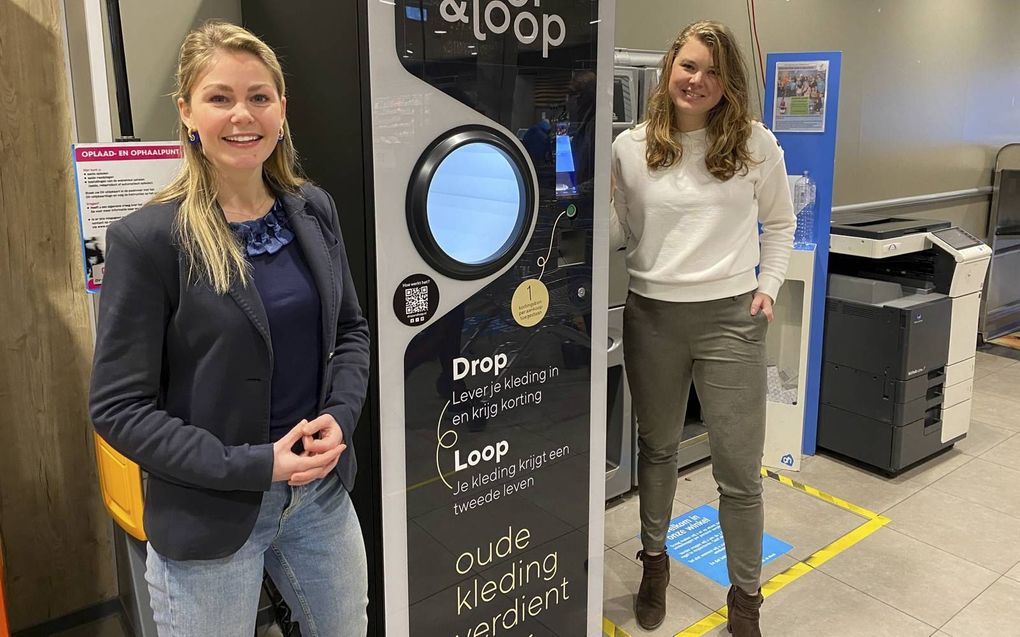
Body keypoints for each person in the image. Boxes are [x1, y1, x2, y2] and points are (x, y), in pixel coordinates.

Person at [89, 21, 370, 637]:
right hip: (209, 511)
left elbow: (350, 330)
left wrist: (341, 416)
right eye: (220, 98)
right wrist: (253, 464)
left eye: (259, 96)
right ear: (187, 111)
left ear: (282, 108)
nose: (242, 115)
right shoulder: (149, 240)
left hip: (319, 497)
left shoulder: (313, 210)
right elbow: (118, 408)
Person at [610, 20, 795, 636]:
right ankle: (654, 566)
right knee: (657, 449)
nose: (698, 80)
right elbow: (623, 235)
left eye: (713, 72)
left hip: (731, 321)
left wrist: (767, 288)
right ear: (670, 67)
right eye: (689, 66)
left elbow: (782, 223)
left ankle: (746, 602)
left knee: (739, 473)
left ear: (728, 83)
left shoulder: (754, 143)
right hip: (653, 316)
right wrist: (570, 204)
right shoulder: (630, 148)